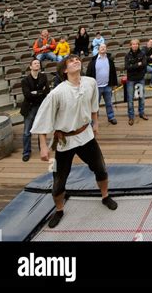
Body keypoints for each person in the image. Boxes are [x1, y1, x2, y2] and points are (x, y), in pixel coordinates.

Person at [31, 54, 117, 228]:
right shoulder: (57, 93)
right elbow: (43, 119)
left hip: (86, 135)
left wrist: (96, 122)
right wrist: (43, 147)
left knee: (100, 168)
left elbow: (94, 104)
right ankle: (60, 210)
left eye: (77, 59)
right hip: (65, 141)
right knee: (59, 181)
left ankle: (105, 196)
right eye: (71, 61)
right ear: (64, 70)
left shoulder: (90, 82)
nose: (76, 61)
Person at [20, 59, 50, 162]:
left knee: (41, 129)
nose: (37, 64)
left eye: (38, 63)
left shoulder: (43, 76)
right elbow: (27, 95)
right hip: (29, 108)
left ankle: (42, 148)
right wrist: (40, 92)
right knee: (27, 132)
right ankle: (26, 152)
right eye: (35, 63)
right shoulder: (25, 80)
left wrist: (35, 93)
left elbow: (47, 91)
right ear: (30, 67)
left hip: (41, 106)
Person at [86, 43, 118, 124]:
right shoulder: (93, 61)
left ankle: (111, 117)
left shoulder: (110, 60)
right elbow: (88, 74)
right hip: (96, 87)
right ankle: (94, 120)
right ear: (98, 49)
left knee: (109, 103)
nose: (103, 48)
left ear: (106, 49)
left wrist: (114, 84)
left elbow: (113, 73)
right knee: (95, 105)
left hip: (107, 86)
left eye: (104, 47)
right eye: (101, 47)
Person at [124, 38, 148, 126]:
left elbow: (144, 64)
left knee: (141, 97)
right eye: (133, 44)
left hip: (140, 78)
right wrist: (137, 64)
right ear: (130, 45)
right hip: (131, 79)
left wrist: (133, 65)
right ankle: (131, 116)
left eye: (136, 44)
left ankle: (141, 113)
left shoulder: (142, 54)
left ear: (138, 45)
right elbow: (127, 67)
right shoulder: (127, 55)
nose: (135, 45)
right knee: (130, 99)